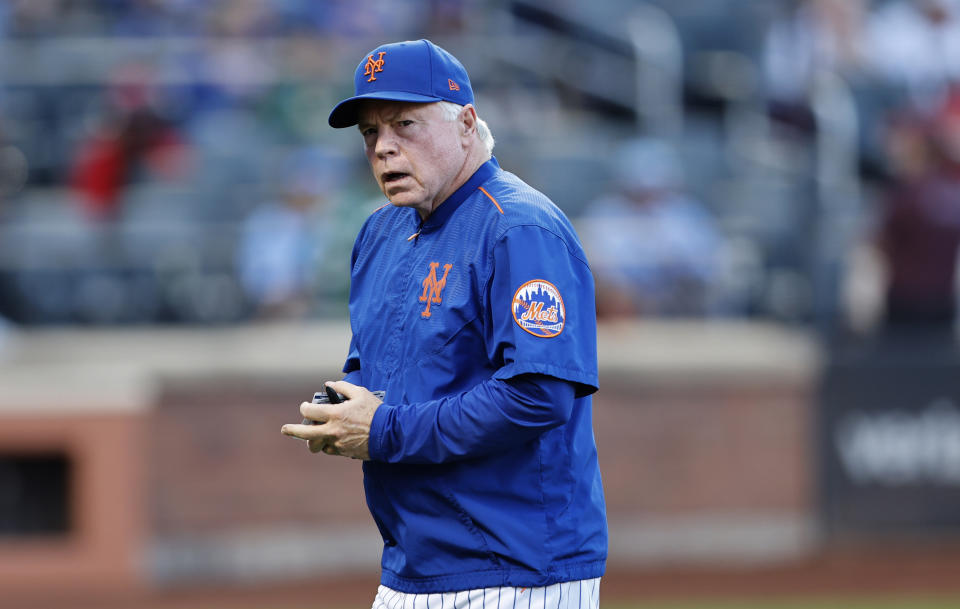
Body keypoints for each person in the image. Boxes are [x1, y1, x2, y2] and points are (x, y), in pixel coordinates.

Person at [281, 39, 607, 607]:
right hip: (412, 564)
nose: (384, 147)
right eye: (370, 133)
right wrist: (345, 408)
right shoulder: (380, 233)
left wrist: (382, 430)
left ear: (466, 124)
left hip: (516, 567)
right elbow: (374, 372)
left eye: (405, 123)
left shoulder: (520, 229)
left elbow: (539, 394)